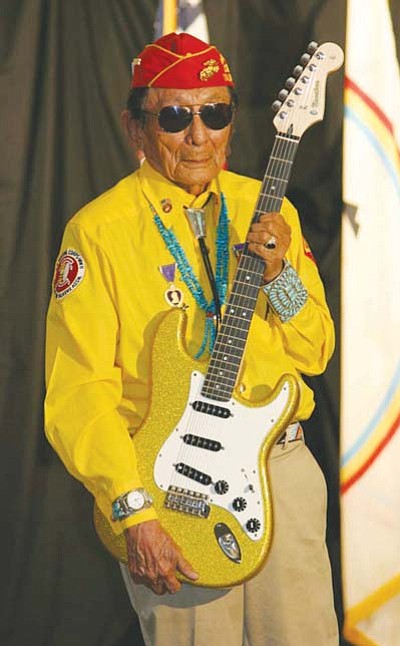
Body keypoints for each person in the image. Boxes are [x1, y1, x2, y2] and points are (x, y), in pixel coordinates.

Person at [45, 32, 338, 646]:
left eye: (216, 113)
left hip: (280, 470)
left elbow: (313, 351)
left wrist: (281, 276)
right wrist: (133, 510)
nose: (199, 135)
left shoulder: (267, 205)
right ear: (136, 128)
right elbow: (80, 393)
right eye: (176, 116)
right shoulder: (97, 232)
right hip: (171, 487)